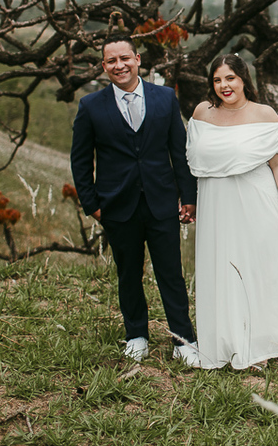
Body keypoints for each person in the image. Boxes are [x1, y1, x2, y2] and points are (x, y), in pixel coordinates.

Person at [70, 35, 199, 366]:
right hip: (117, 205)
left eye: (124, 58)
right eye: (111, 61)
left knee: (170, 272)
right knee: (128, 273)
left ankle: (183, 340)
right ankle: (136, 336)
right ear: (104, 67)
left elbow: (178, 151)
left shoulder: (165, 98)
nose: (119, 65)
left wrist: (188, 196)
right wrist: (92, 204)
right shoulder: (90, 106)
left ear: (138, 59)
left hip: (161, 201)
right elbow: (81, 161)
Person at [186, 54, 278, 369]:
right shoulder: (201, 113)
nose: (224, 86)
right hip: (215, 205)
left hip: (257, 203)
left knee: (257, 270)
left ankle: (259, 347)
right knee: (222, 271)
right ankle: (224, 342)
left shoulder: (265, 115)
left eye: (230, 78)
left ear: (243, 80)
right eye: (217, 80)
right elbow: (193, 162)